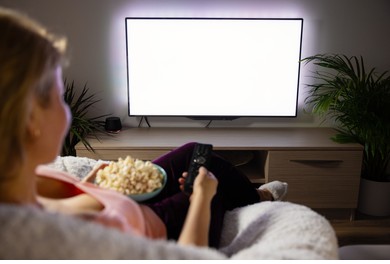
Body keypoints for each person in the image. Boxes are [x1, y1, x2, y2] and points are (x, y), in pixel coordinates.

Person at [0, 7, 287, 249]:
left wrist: (92, 183)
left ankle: (257, 195)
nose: (67, 110)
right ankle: (259, 199)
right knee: (210, 183)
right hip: (155, 225)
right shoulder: (50, 237)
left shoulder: (22, 179)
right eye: (59, 98)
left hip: (121, 204)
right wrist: (201, 198)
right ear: (31, 122)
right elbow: (186, 263)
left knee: (193, 151)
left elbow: (66, 208)